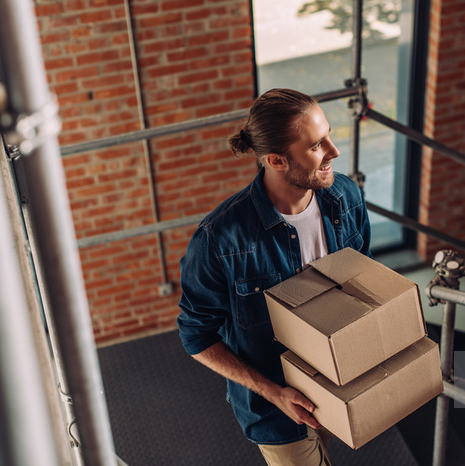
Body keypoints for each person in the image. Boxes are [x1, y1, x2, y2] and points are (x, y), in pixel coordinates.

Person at [177, 88, 371, 465]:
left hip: (340, 385)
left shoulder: (345, 196)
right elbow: (196, 338)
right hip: (276, 409)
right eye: (317, 146)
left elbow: (362, 278)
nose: (334, 152)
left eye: (329, 135)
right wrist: (274, 393)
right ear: (276, 160)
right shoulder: (219, 240)